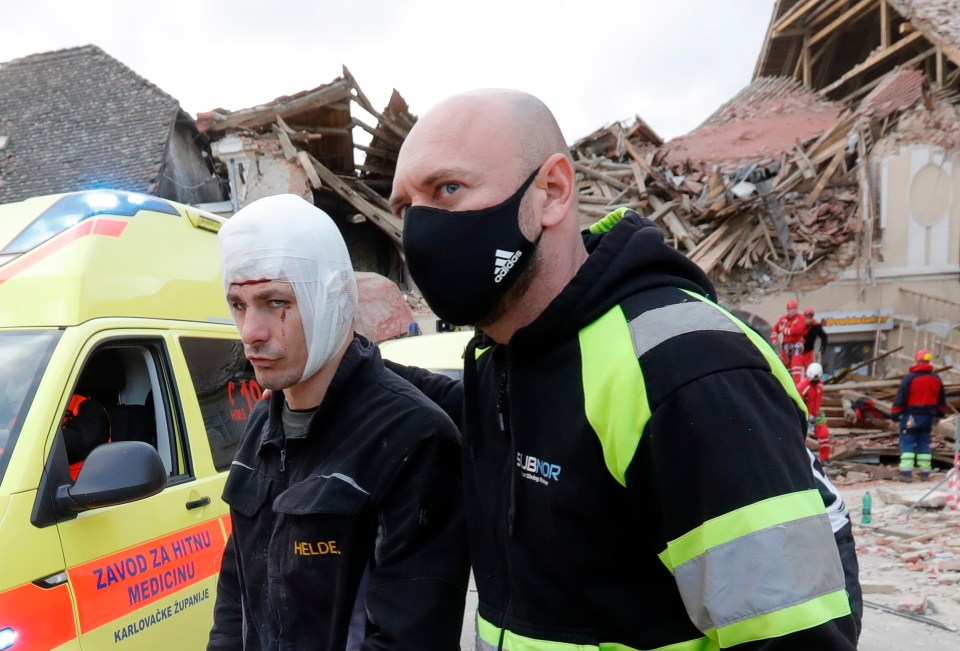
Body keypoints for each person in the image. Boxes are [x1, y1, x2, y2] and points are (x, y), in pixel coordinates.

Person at [388, 89, 858, 649]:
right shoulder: (502, 360)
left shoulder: (686, 369)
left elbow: (792, 636)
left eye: (448, 189)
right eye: (404, 208)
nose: (420, 228)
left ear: (552, 193)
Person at [207, 194, 469, 650]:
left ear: (331, 298)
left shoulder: (413, 437)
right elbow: (236, 600)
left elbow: (408, 638)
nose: (250, 331)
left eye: (275, 302)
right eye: (239, 304)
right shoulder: (262, 427)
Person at [892, 349, 947, 483]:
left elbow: (901, 398)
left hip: (911, 417)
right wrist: (939, 415)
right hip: (928, 417)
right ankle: (925, 473)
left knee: (907, 440)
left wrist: (895, 414)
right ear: (928, 361)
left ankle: (906, 473)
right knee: (924, 442)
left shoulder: (910, 378)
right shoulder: (936, 378)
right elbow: (941, 400)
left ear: (916, 360)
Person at [797, 362, 831, 462]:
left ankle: (824, 458)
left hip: (816, 414)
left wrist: (818, 413)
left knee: (824, 434)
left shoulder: (820, 385)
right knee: (800, 437)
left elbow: (818, 400)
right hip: (803, 415)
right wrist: (808, 415)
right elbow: (798, 404)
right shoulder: (802, 387)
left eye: (817, 379)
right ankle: (801, 459)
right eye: (813, 379)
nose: (815, 381)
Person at [772, 299, 806, 381]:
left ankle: (796, 386)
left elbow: (798, 330)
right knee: (784, 366)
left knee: (796, 367)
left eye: (795, 308)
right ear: (788, 309)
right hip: (786, 347)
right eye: (792, 308)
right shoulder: (783, 319)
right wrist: (774, 338)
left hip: (797, 346)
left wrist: (785, 330)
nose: (794, 310)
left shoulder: (801, 318)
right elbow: (775, 329)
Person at [798, 307, 828, 372]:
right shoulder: (800, 325)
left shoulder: (816, 326)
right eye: (807, 318)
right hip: (798, 351)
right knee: (798, 369)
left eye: (810, 318)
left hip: (809, 351)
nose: (808, 320)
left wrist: (823, 346)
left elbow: (824, 336)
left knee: (810, 368)